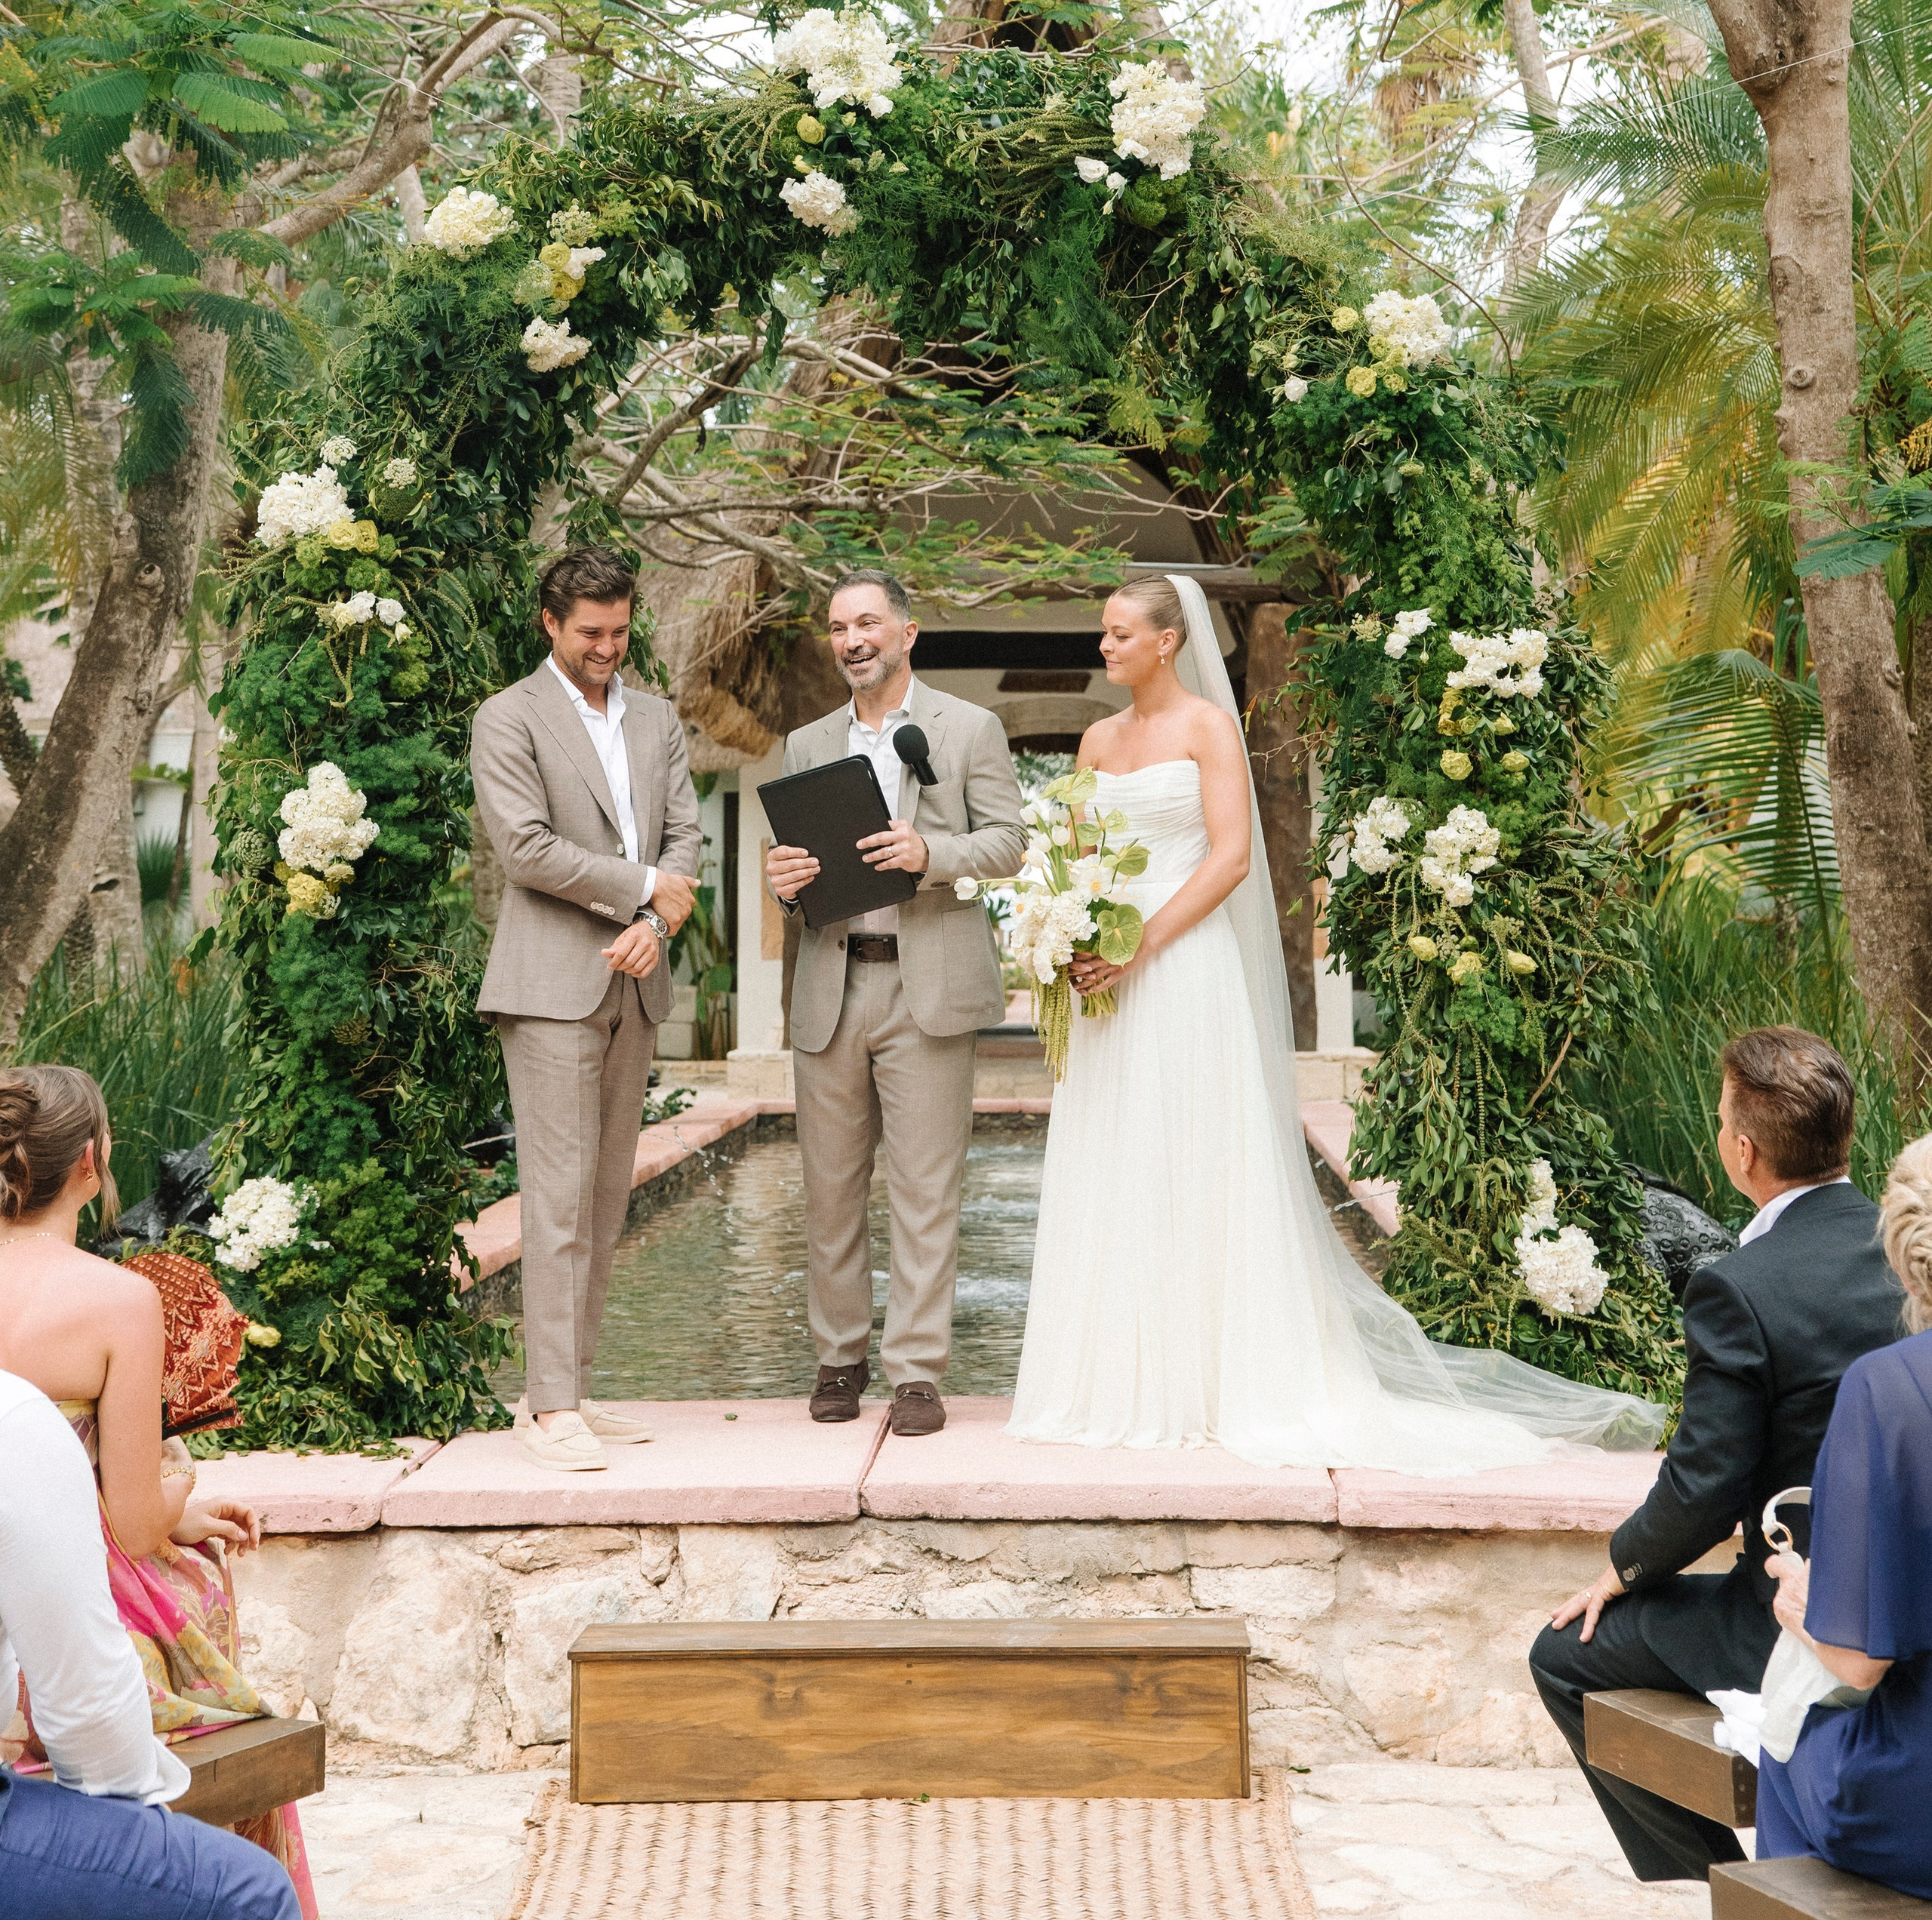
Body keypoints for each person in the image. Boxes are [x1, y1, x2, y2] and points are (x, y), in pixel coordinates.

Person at [1009, 571, 1663, 1466]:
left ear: (1167, 641)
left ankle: (1209, 1376)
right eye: (1102, 632)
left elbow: (1233, 857)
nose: (1104, 646)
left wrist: (1142, 942)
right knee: (1117, 1152)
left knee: (1192, 1156)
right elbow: (1072, 851)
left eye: (1119, 632)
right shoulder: (1092, 737)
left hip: (1179, 963)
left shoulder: (1207, 727)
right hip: (1106, 976)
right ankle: (1116, 1377)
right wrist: (1071, 926)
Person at [1528, 1026, 1903, 1885]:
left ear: (1741, 1150)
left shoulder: (1739, 1284)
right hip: (1904, 1592)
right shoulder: (1902, 1247)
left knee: (1562, 1652)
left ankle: (1710, 1885)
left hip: (1794, 1611)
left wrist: (1621, 1569)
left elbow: (1704, 1483)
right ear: (1843, 1137)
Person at [0, 1066, 312, 1914]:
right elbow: (132, 1524)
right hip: (75, 1613)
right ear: (91, 1163)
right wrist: (184, 1496)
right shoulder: (118, 1298)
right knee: (200, 1583)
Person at [764, 570, 1026, 1435]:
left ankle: (916, 1372)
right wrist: (785, 884)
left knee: (925, 1190)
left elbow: (1009, 843)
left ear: (907, 632)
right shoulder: (805, 744)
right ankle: (839, 1359)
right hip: (830, 987)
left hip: (930, 989)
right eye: (838, 626)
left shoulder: (968, 726)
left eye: (868, 622)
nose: (852, 639)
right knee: (830, 1189)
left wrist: (931, 852)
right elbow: (799, 881)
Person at [472, 545, 704, 1471]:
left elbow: (685, 828)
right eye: (590, 634)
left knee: (608, 1198)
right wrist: (647, 886)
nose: (609, 647)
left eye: (620, 629)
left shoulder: (656, 718)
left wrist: (655, 916)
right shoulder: (508, 717)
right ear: (550, 626)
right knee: (558, 1199)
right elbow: (525, 848)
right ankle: (548, 1406)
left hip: (636, 977)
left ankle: (570, 1389)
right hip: (549, 988)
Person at [0, 1366, 300, 1920]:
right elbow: (93, 1725)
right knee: (253, 1893)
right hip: (95, 1653)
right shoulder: (16, 1415)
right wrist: (179, 1478)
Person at [1755, 1132, 1932, 1894]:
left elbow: (1861, 1659)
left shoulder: (1887, 1390)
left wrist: (1802, 1603)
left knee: (1782, 1739)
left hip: (1918, 1797)